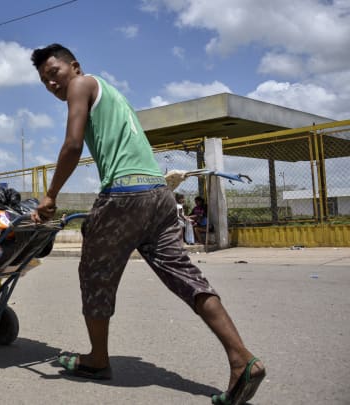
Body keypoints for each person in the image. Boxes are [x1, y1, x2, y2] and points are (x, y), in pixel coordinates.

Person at [29, 44, 264, 404]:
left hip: (125, 195)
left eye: (54, 72)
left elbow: (72, 145)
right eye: (45, 80)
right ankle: (241, 359)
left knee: (95, 276)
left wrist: (50, 197)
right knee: (185, 276)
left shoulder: (82, 84)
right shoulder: (111, 94)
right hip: (158, 195)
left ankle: (97, 359)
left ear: (73, 66)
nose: (51, 83)